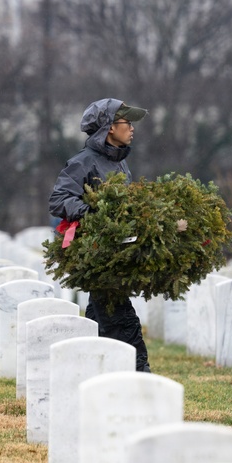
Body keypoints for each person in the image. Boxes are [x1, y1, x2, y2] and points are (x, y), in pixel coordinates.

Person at [49, 97, 152, 373]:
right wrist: (94, 214)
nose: (132, 128)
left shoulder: (120, 163)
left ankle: (91, 374)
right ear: (108, 127)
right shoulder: (84, 162)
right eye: (126, 123)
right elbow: (59, 200)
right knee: (122, 321)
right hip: (99, 257)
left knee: (98, 319)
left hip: (115, 256)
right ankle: (139, 376)